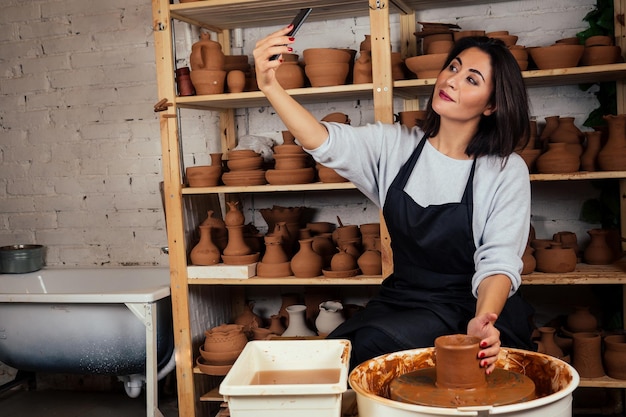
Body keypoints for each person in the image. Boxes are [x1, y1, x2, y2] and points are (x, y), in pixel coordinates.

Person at [253, 26, 536, 373]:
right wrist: (270, 85)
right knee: (337, 353)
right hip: (405, 299)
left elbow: (499, 262)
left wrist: (482, 323)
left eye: (472, 79)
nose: (451, 80)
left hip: (470, 305)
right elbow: (322, 141)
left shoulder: (505, 170)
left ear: (492, 104)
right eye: (453, 67)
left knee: (370, 345)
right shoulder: (395, 147)